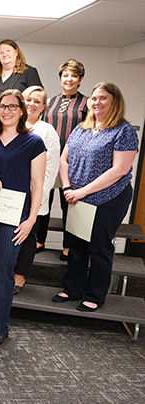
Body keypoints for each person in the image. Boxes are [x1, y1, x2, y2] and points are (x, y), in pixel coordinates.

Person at [52, 82, 138, 312]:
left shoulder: (123, 130)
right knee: (75, 245)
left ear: (114, 102)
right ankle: (72, 288)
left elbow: (119, 170)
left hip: (109, 198)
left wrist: (84, 191)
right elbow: (64, 160)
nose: (97, 102)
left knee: (99, 247)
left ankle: (95, 295)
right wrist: (68, 187)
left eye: (103, 98)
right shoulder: (81, 128)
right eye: (94, 98)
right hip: (77, 197)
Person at [0, 89, 46, 346]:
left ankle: (0, 326)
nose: (7, 111)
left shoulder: (34, 142)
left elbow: (38, 185)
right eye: (3, 106)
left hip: (15, 216)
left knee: (3, 271)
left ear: (22, 111)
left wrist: (31, 220)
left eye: (13, 106)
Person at [13, 86, 60, 294]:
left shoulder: (47, 131)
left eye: (37, 101)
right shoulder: (12, 125)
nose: (31, 104)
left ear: (44, 106)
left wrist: (37, 197)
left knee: (28, 237)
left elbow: (50, 169)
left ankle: (19, 276)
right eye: (28, 99)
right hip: (11, 195)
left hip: (34, 196)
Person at [41, 59, 89, 260]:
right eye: (66, 75)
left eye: (74, 76)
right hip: (48, 158)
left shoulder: (87, 103)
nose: (69, 79)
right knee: (43, 199)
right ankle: (39, 238)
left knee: (68, 203)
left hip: (72, 161)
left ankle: (68, 245)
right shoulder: (50, 101)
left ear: (80, 79)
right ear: (60, 78)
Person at [0, 39, 43, 107]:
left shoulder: (29, 72)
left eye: (8, 51)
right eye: (1, 52)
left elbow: (38, 97)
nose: (5, 54)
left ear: (16, 52)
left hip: (15, 114)